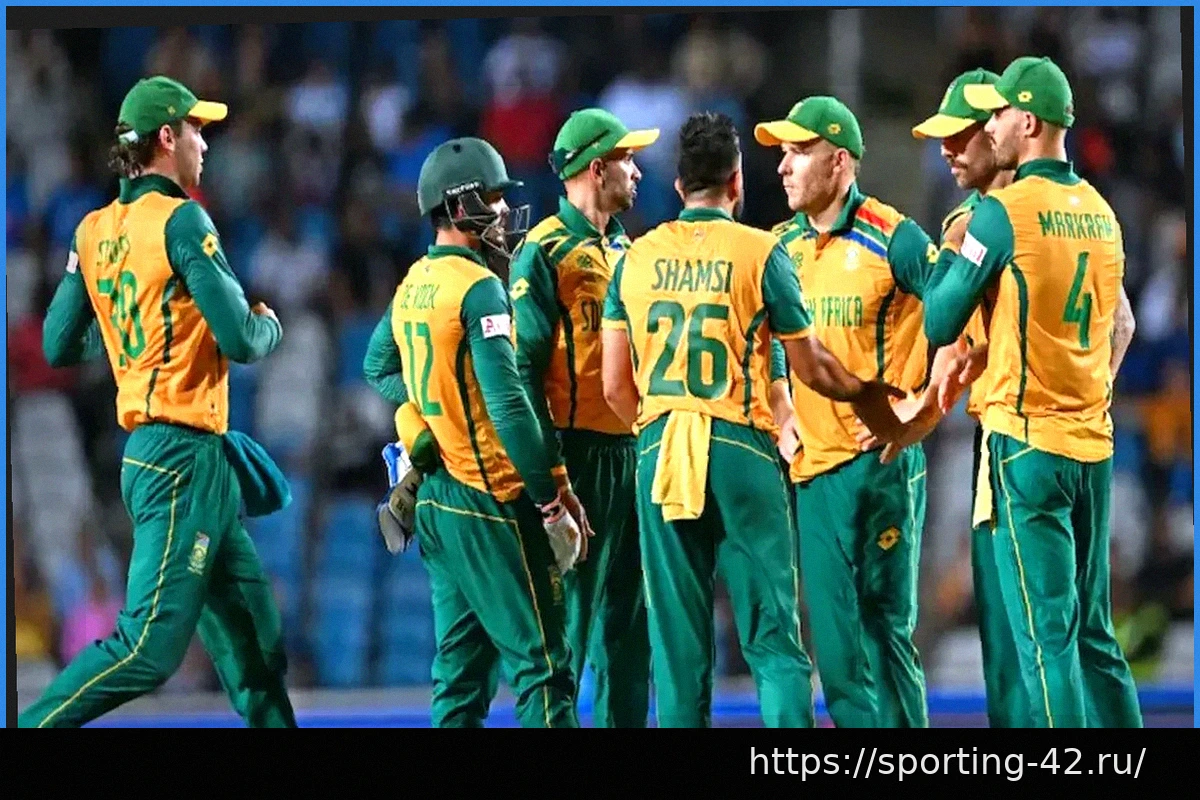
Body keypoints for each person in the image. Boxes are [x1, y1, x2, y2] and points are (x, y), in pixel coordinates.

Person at [600, 111, 904, 728]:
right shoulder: (763, 251)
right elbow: (812, 367)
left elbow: (613, 387)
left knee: (679, 650)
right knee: (773, 640)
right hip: (741, 445)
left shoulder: (635, 258)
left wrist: (655, 430)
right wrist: (870, 395)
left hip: (660, 449)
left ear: (678, 186)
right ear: (736, 183)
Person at [19, 76, 295, 728]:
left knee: (257, 650)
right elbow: (242, 338)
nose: (205, 143)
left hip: (175, 457)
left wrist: (129, 334)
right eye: (197, 129)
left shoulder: (92, 231)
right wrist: (271, 324)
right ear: (167, 137)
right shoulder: (183, 219)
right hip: (181, 458)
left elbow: (59, 343)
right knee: (148, 647)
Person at [924, 56, 1142, 728]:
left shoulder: (998, 216)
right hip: (1092, 445)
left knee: (1044, 642)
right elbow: (1124, 325)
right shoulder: (1102, 214)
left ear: (1027, 121)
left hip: (1023, 444)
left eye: (996, 115)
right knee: (1094, 633)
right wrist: (1085, 393)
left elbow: (939, 320)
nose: (988, 127)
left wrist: (946, 254)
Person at [362, 136, 592, 728]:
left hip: (437, 503)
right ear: (460, 204)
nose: (504, 211)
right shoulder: (479, 287)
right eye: (492, 198)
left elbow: (378, 366)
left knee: (460, 679)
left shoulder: (414, 281)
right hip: (492, 501)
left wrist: (436, 410)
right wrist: (549, 500)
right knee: (544, 669)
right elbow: (509, 408)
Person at [756, 95, 943, 727]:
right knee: (836, 658)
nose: (783, 166)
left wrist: (922, 405)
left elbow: (961, 319)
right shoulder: (777, 248)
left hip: (879, 466)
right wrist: (781, 405)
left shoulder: (896, 238)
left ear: (839, 161)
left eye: (798, 152)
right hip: (811, 472)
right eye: (782, 153)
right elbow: (768, 339)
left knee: (884, 635)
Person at [508, 108, 658, 726]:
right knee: (568, 631)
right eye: (627, 160)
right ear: (597, 169)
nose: (638, 172)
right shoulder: (543, 252)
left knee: (632, 630)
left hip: (633, 451)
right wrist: (551, 476)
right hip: (577, 458)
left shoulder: (630, 251)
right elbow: (521, 372)